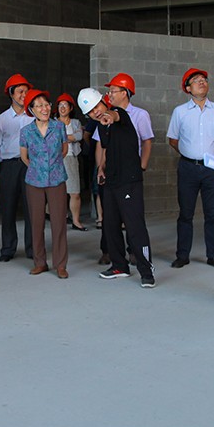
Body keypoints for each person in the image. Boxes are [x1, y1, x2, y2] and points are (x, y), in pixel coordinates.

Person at [77, 87, 156, 288]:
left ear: (103, 101)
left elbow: (115, 116)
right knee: (110, 225)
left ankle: (146, 271)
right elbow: (105, 148)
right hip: (111, 180)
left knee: (135, 227)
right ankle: (119, 266)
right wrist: (101, 168)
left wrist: (109, 116)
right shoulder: (100, 127)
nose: (95, 112)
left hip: (129, 180)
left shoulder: (120, 114)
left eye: (96, 107)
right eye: (90, 112)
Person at [166, 68, 214, 269]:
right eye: (196, 80)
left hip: (212, 168)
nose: (202, 82)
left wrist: (209, 152)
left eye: (204, 79)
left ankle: (213, 255)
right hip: (188, 168)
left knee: (212, 214)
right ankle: (182, 255)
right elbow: (173, 140)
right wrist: (190, 152)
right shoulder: (180, 112)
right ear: (188, 88)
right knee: (185, 214)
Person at [95, 73, 153, 265]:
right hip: (113, 173)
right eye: (109, 91)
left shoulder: (139, 115)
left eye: (113, 91)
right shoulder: (106, 115)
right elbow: (103, 146)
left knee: (133, 218)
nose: (109, 95)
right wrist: (101, 167)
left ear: (125, 93)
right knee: (112, 218)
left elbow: (146, 141)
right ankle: (116, 261)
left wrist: (142, 164)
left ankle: (137, 253)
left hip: (131, 173)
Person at [20, 89, 69, 278]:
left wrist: (51, 167)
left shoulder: (59, 127)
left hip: (56, 179)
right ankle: (40, 262)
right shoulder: (26, 131)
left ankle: (60, 264)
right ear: (31, 109)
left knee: (59, 222)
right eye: (39, 105)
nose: (45, 108)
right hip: (34, 181)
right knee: (36, 222)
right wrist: (38, 169)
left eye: (47, 104)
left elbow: (64, 150)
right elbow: (24, 157)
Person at [0, 73, 34, 262]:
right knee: (8, 208)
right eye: (20, 91)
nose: (24, 95)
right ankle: (8, 248)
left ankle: (33, 249)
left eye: (26, 91)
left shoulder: (34, 116)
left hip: (30, 165)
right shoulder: (2, 119)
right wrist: (7, 157)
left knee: (32, 207)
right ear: (11, 94)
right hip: (10, 167)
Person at [55, 93, 87, 231]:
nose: (62, 108)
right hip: (57, 159)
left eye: (65, 105)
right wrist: (69, 137)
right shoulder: (53, 122)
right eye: (60, 105)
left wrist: (62, 138)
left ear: (71, 108)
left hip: (72, 158)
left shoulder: (75, 122)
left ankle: (76, 221)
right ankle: (60, 220)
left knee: (74, 192)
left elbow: (79, 136)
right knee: (59, 193)